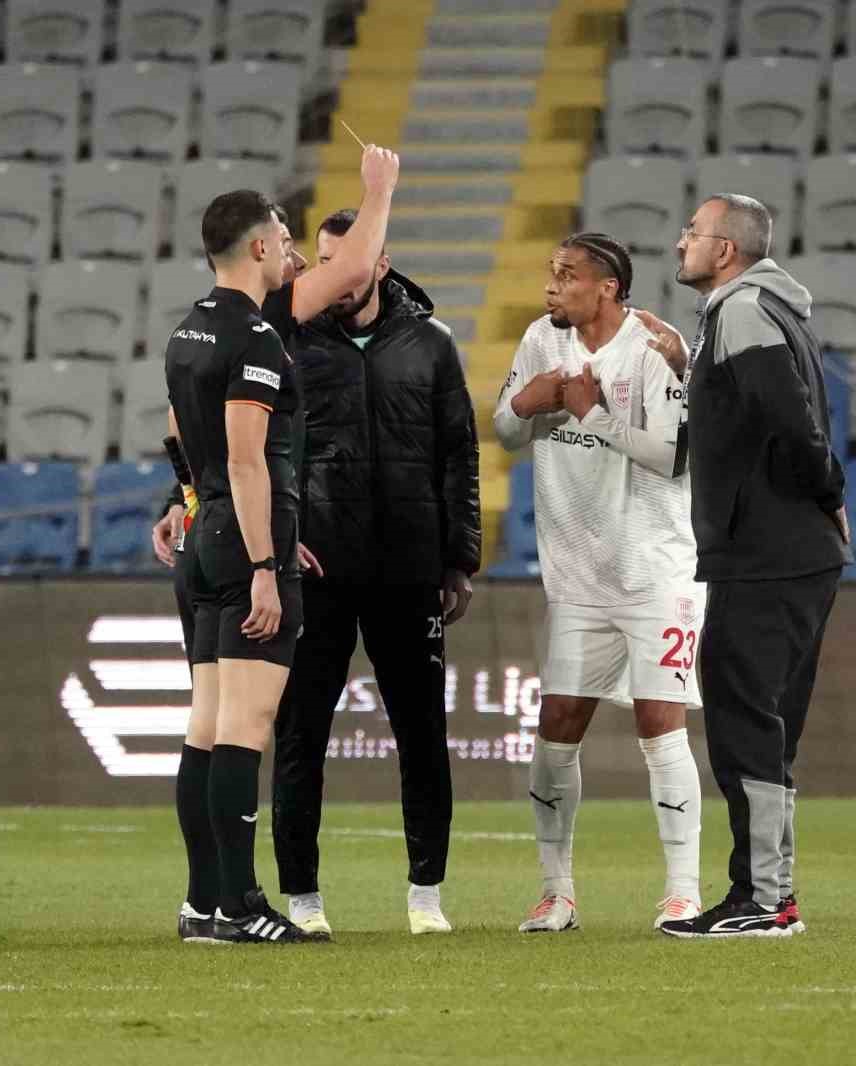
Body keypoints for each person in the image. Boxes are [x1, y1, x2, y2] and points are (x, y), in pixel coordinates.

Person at [156, 147, 400, 943]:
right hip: (241, 544)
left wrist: (181, 502)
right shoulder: (258, 339)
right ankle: (238, 905)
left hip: (202, 535)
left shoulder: (188, 329)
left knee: (205, 725)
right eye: (284, 238)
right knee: (244, 732)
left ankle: (202, 903)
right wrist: (265, 562)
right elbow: (243, 457)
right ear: (260, 247)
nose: (293, 249)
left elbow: (178, 432)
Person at [645, 195, 852, 940]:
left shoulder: (740, 313)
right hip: (788, 550)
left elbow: (789, 417)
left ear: (726, 250)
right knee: (763, 726)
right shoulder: (764, 310)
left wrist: (828, 491)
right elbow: (756, 407)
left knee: (744, 723)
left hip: (767, 549)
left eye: (693, 233)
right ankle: (767, 894)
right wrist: (688, 362)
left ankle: (763, 900)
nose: (680, 244)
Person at [269, 208, 480, 939]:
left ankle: (426, 896)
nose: (335, 273)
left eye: (350, 259)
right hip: (315, 567)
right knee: (301, 736)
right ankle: (302, 899)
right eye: (324, 260)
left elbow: (459, 454)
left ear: (381, 263)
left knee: (422, 735)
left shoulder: (431, 344)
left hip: (409, 565)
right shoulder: (287, 340)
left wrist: (460, 558)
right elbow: (252, 443)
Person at [493, 233, 704, 934]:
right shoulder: (538, 340)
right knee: (555, 731)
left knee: (659, 728)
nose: (552, 287)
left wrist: (591, 415)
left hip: (655, 572)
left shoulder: (650, 347)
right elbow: (504, 429)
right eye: (551, 273)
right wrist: (524, 406)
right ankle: (557, 894)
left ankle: (683, 892)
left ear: (608, 286)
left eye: (568, 276)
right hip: (577, 578)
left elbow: (672, 458)